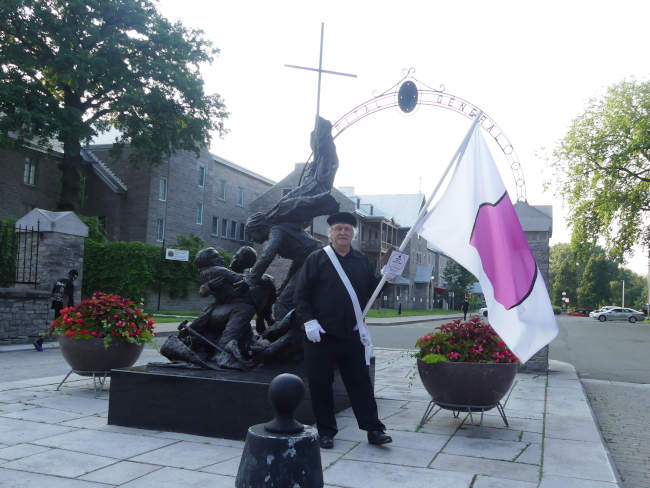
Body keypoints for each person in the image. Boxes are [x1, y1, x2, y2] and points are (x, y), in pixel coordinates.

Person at [294, 211, 394, 449]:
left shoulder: (361, 261)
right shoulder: (317, 259)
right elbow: (301, 295)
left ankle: (373, 429)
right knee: (320, 384)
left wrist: (386, 279)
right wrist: (308, 321)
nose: (342, 233)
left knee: (360, 383)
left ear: (353, 234)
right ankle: (326, 431)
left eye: (347, 229)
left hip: (351, 334)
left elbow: (372, 292)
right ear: (331, 233)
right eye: (338, 229)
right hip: (320, 335)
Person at [34, 269, 78, 351]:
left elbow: (53, 293)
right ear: (74, 276)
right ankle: (40, 341)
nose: (75, 279)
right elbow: (66, 297)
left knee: (58, 326)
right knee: (71, 325)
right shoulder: (69, 284)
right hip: (65, 309)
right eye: (75, 277)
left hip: (57, 306)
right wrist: (65, 311)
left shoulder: (59, 281)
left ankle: (40, 341)